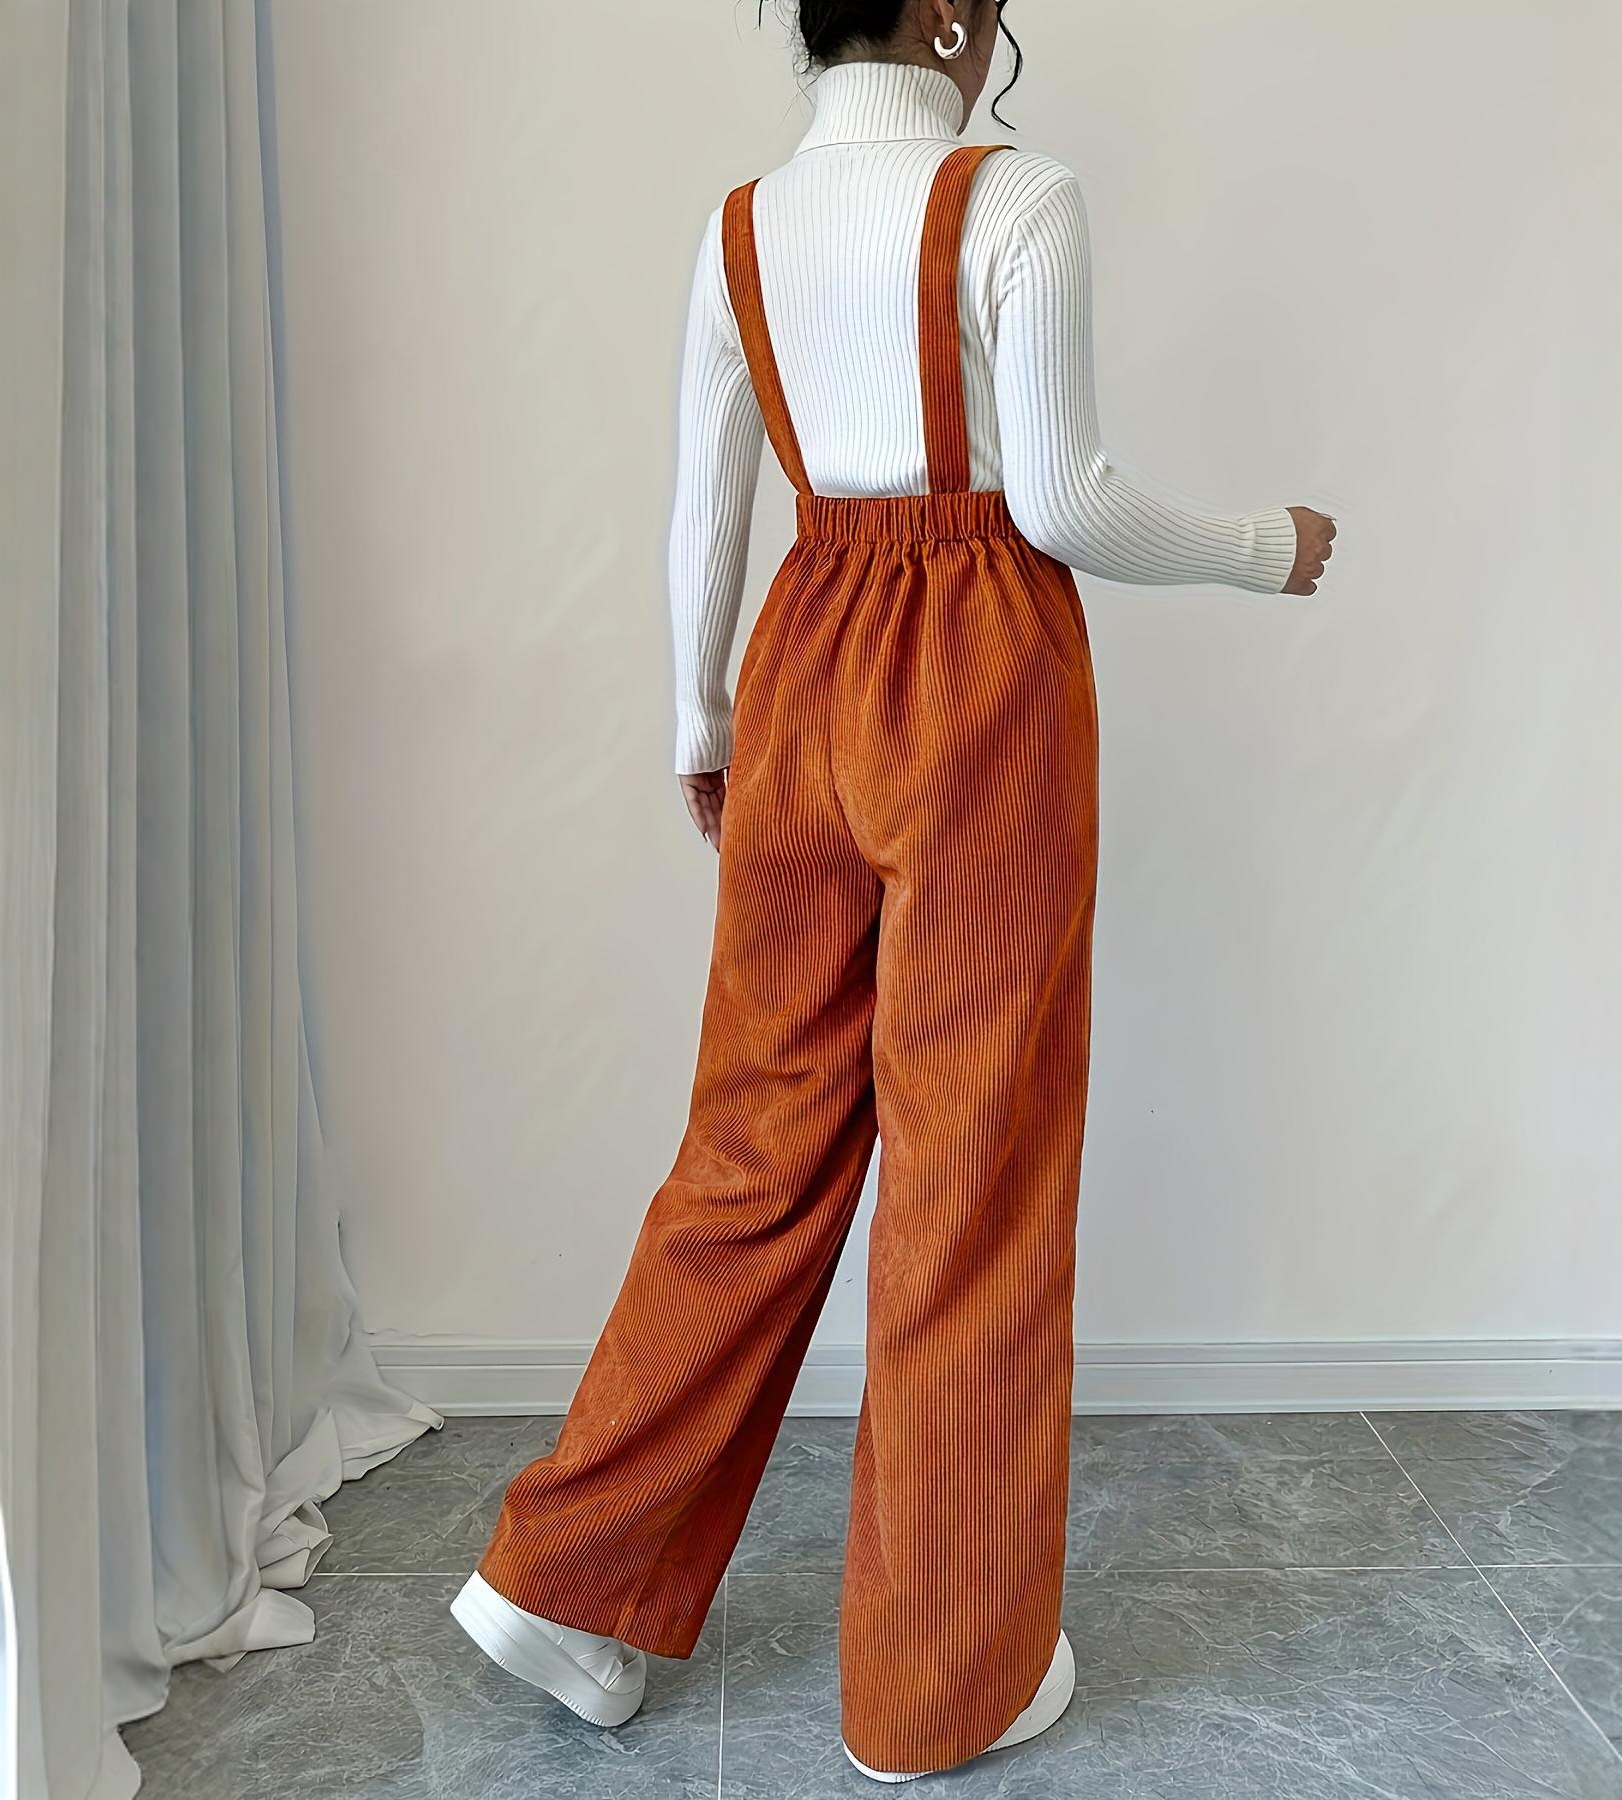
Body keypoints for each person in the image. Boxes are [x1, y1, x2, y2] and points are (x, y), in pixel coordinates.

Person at [450, 0, 1335, 1782]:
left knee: (753, 1141)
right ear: (943, 15)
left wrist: (702, 722)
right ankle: (941, 1688)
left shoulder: (741, 226)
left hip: (798, 668)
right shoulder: (1018, 197)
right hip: (979, 673)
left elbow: (704, 498)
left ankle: (566, 1583)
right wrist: (1265, 546)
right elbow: (1064, 498)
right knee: (972, 1163)